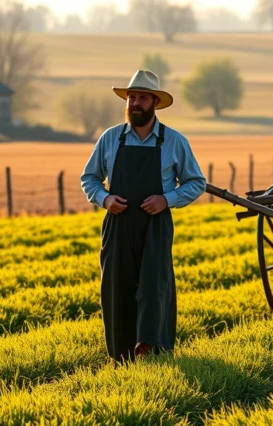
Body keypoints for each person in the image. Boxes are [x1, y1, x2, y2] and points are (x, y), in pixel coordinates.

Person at [80, 70, 206, 363]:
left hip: (156, 225)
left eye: (142, 98)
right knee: (117, 287)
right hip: (118, 224)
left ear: (154, 103)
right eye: (131, 97)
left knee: (154, 286)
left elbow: (196, 182)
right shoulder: (110, 139)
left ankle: (151, 348)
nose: (135, 103)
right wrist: (105, 198)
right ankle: (120, 354)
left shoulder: (174, 141)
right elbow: (89, 179)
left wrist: (167, 200)